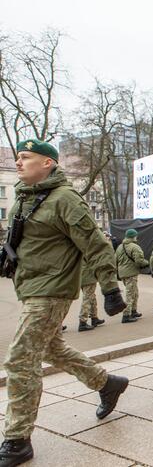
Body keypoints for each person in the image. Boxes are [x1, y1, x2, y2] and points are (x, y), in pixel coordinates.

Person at [0, 139, 128, 466]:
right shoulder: (24, 200)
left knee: (19, 358)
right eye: (17, 157)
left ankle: (17, 439)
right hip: (30, 287)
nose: (18, 162)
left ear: (48, 163)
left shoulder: (65, 199)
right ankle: (106, 383)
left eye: (26, 157)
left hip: (52, 289)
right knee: (51, 349)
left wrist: (110, 289)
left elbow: (96, 244)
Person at [116, 229, 149, 323]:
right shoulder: (135, 247)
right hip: (131, 273)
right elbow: (139, 261)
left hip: (123, 273)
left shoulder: (119, 247)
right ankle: (126, 315)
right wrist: (146, 263)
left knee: (134, 292)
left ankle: (133, 311)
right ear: (134, 236)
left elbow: (115, 260)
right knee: (130, 294)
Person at [78, 258, 105, 332]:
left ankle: (94, 318)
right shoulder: (87, 250)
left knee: (92, 297)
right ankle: (83, 322)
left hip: (82, 277)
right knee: (87, 299)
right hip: (88, 277)